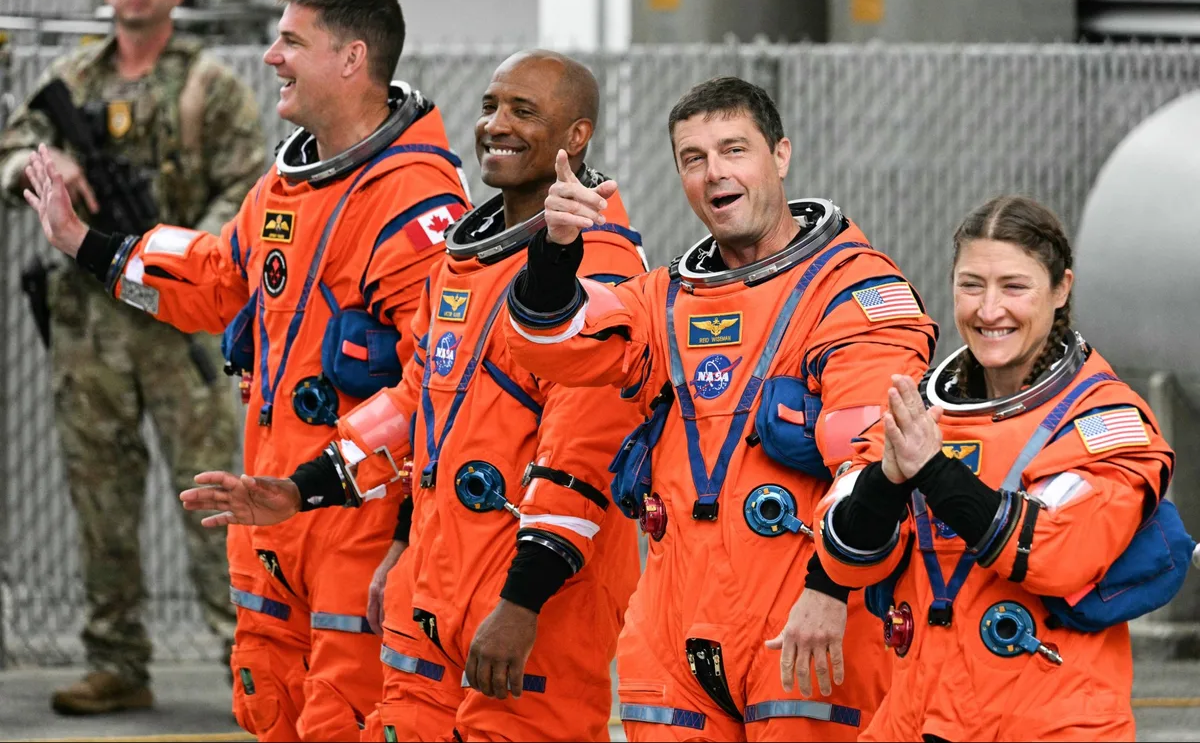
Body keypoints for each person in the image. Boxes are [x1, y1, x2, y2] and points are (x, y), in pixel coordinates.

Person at [22, 0, 471, 742]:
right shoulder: (287, 184)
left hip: (354, 526)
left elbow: (438, 392)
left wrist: (402, 539)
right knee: (271, 706)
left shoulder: (417, 203)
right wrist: (84, 244)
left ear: (352, 58)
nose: (271, 58)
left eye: (291, 40)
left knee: (349, 717)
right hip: (272, 512)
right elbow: (215, 277)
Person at [179, 49, 648, 742]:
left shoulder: (600, 264)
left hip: (534, 605)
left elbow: (582, 459)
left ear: (576, 137)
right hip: (434, 591)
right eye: (491, 106)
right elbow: (411, 403)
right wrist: (301, 487)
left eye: (525, 110)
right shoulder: (464, 260)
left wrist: (521, 603)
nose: (496, 125)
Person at [503, 76, 938, 741]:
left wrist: (830, 586)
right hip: (674, 635)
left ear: (781, 156)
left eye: (734, 150)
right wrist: (557, 249)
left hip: (806, 627)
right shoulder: (665, 298)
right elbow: (551, 340)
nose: (714, 174)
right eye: (693, 158)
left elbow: (875, 460)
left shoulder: (854, 291)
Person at [0, 0, 262, 715]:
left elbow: (246, 190)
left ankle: (246, 658)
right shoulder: (73, 80)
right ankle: (117, 657)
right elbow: (11, 147)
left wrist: (170, 263)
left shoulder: (209, 85)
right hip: (90, 330)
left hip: (177, 324)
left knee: (217, 496)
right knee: (100, 498)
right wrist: (44, 168)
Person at [813, 196, 1177, 741]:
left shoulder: (1102, 421)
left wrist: (931, 471)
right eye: (971, 285)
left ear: (1060, 289)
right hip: (915, 716)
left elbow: (1055, 550)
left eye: (1014, 286)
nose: (988, 311)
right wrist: (886, 479)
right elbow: (842, 551)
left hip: (1052, 722)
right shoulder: (921, 410)